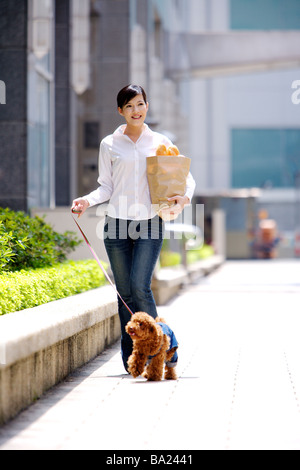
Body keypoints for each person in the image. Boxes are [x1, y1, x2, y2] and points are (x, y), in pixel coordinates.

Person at [72, 84, 196, 372]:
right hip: (116, 224)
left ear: (147, 106)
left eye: (139, 104)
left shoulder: (161, 142)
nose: (135, 111)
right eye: (129, 106)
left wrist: (184, 197)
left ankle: (165, 350)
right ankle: (133, 359)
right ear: (120, 111)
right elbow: (106, 187)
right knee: (125, 293)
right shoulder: (109, 144)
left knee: (141, 286)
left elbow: (185, 178)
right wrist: (86, 201)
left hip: (150, 222)